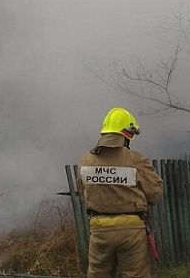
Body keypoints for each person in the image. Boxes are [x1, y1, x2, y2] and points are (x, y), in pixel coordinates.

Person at [78, 107, 164, 278]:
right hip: (131, 231)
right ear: (126, 135)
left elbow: (83, 190)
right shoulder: (136, 160)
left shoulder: (86, 160)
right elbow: (155, 194)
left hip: (99, 230)